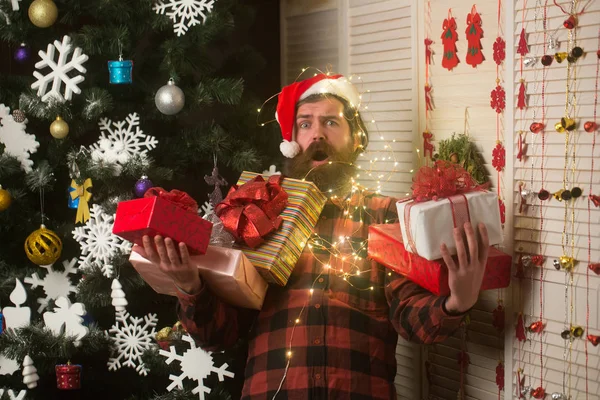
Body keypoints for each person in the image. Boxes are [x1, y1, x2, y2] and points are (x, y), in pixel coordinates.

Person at [141, 74, 490, 400]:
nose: (317, 134)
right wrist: (190, 287)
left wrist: (455, 302)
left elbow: (409, 317)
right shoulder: (254, 211)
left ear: (356, 139)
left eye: (331, 121)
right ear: (292, 142)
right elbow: (219, 335)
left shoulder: (385, 215)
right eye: (305, 123)